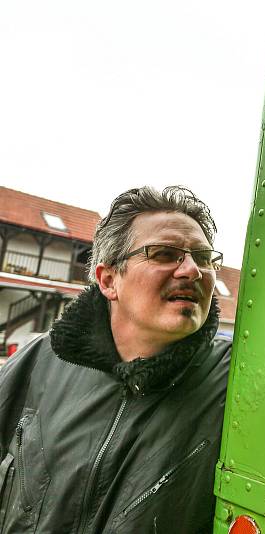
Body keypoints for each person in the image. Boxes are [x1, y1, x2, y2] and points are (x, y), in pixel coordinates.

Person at [0, 186, 231, 533]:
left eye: (202, 257)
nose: (192, 271)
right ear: (108, 280)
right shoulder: (39, 362)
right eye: (165, 254)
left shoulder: (234, 380)